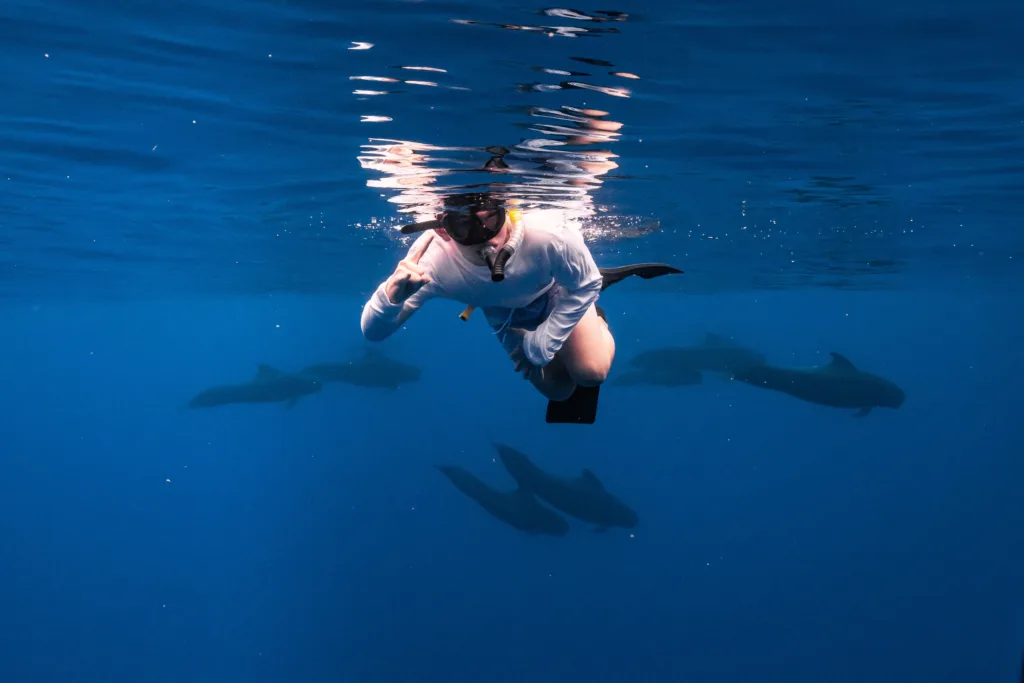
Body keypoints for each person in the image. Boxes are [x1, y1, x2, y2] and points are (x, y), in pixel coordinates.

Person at [360, 192, 614, 409]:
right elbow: (373, 333)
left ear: (506, 210)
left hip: (557, 291)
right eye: (464, 225)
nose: (487, 238)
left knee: (591, 373)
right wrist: (390, 298)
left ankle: (597, 321)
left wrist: (541, 345)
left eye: (491, 218)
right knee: (559, 392)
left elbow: (588, 283)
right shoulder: (431, 263)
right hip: (503, 311)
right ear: (443, 229)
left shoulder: (547, 233)